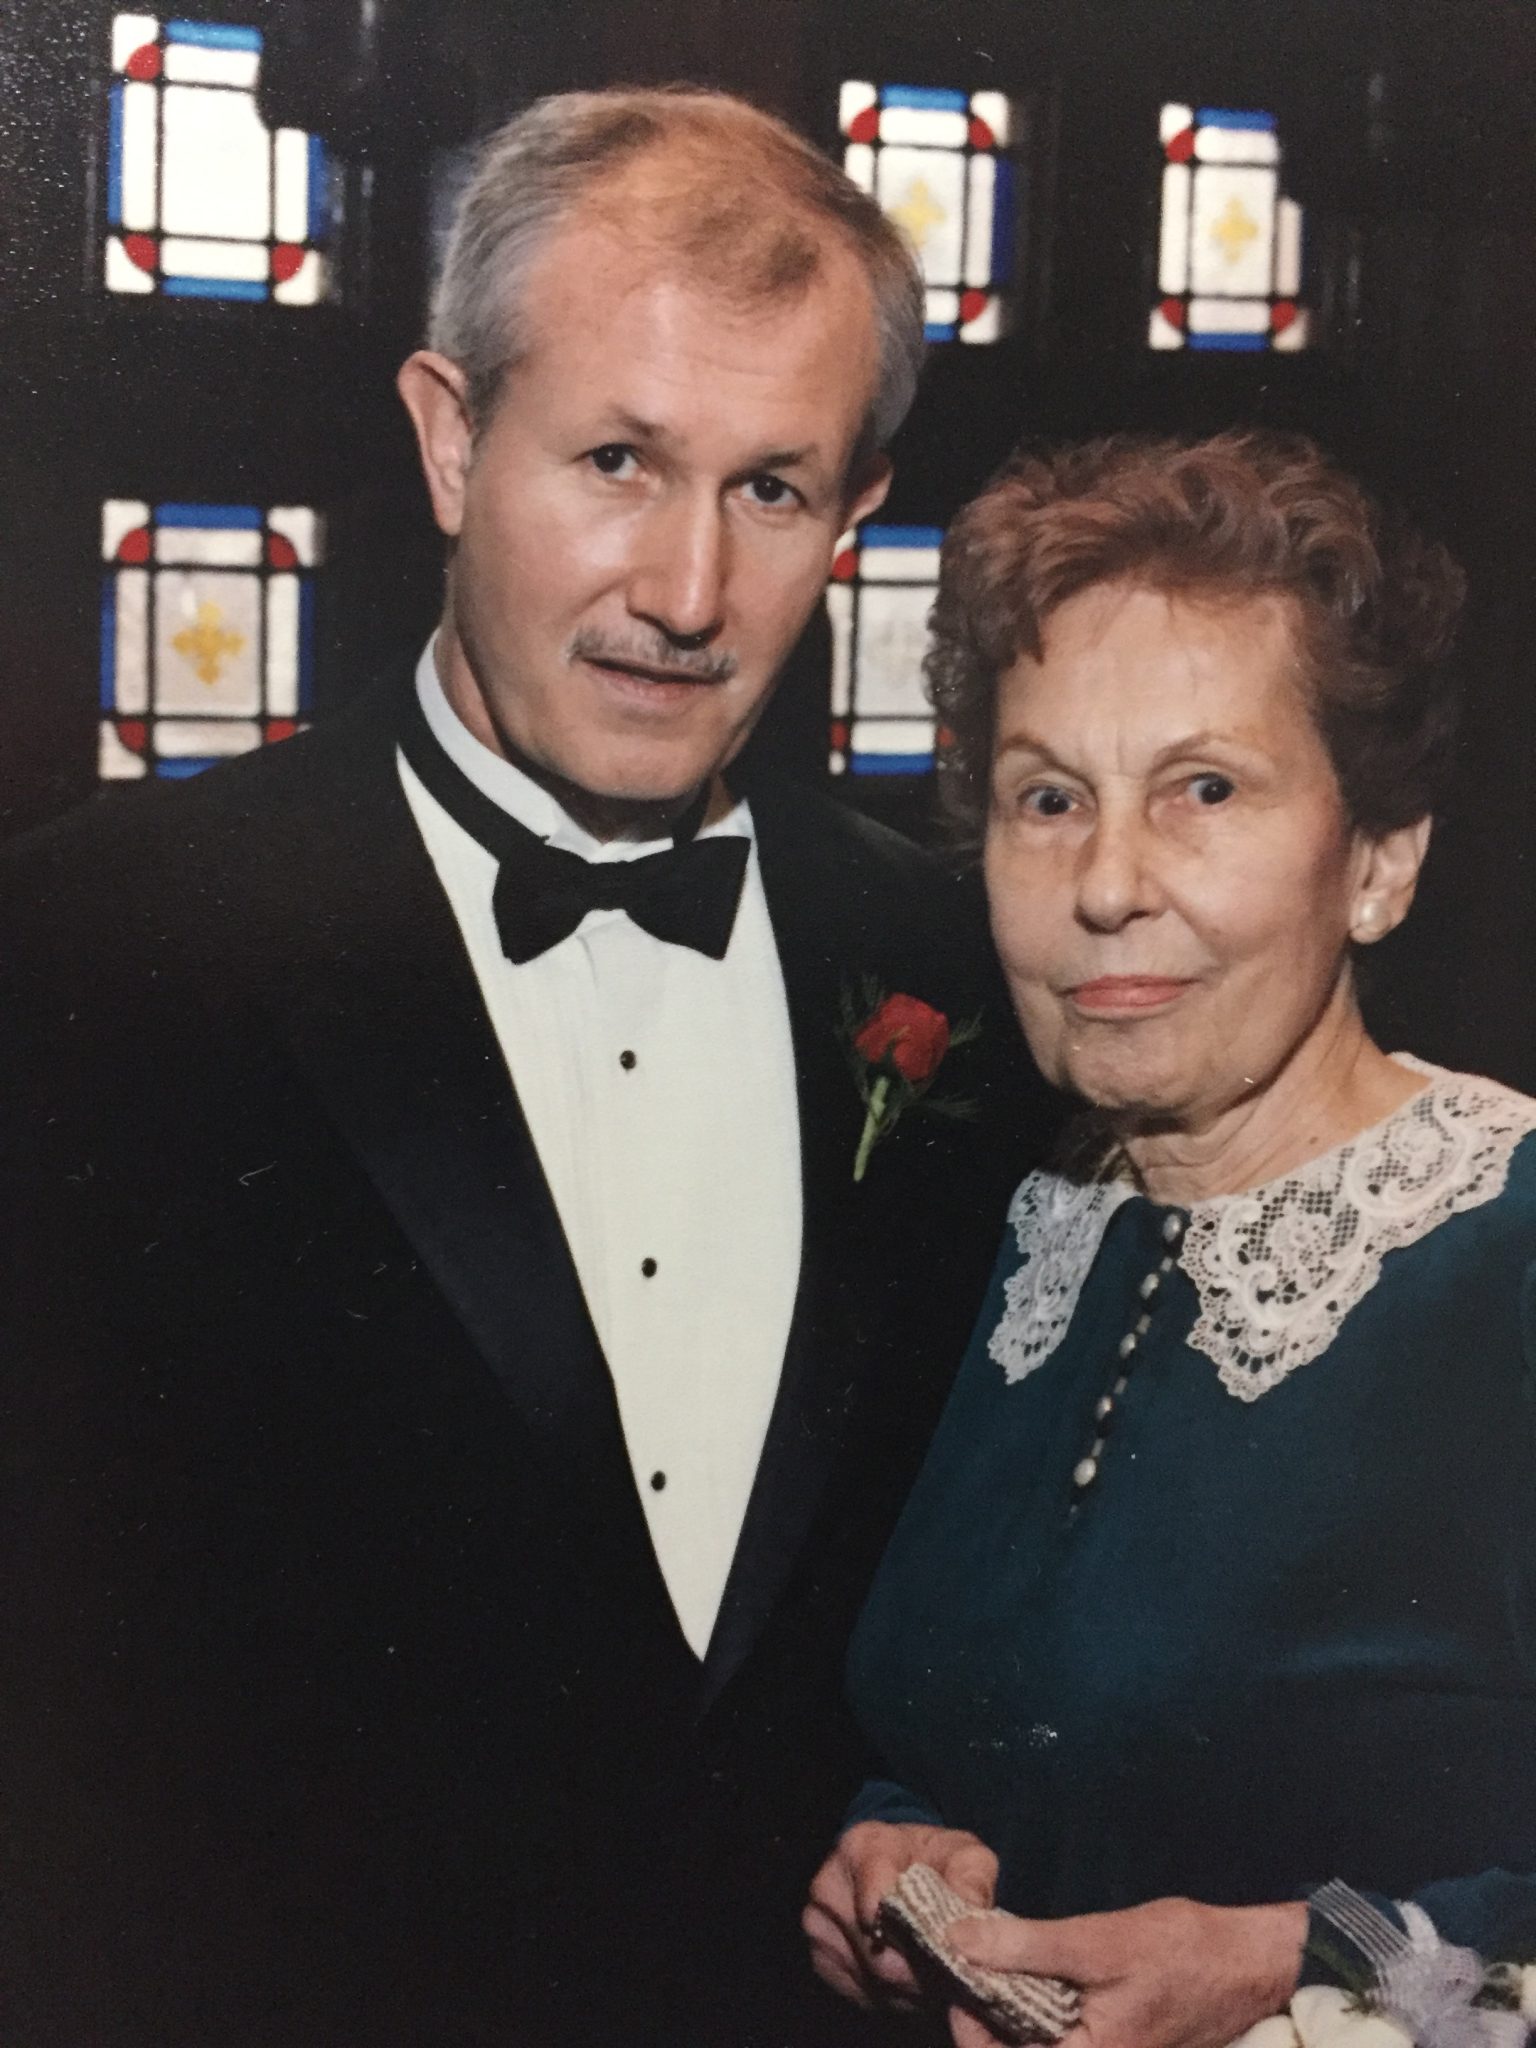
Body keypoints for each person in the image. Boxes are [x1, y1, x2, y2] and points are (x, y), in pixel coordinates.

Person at [0, 90, 1047, 2046]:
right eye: (618, 461)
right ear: (450, 438)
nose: (685, 591)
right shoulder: (87, 952)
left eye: (771, 490)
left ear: (856, 515)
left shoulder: (957, 962)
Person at [805, 431, 1536, 2048]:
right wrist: (898, 1844)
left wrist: (1303, 1966)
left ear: (1380, 861)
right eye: (1048, 798)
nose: (1108, 885)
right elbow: (989, 1722)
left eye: (1205, 789)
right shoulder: (1030, 1236)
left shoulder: (1513, 1254)